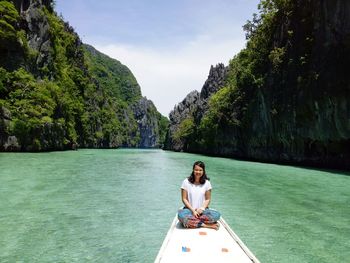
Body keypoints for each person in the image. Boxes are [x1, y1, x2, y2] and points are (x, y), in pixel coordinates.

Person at [178, 161, 221, 230]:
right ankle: (206, 225)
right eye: (196, 170)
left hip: (202, 211)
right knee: (181, 216)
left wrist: (201, 209)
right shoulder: (186, 182)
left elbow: (208, 199)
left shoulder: (207, 183)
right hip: (189, 210)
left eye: (200, 170)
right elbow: (184, 199)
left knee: (217, 215)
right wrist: (193, 211)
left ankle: (193, 222)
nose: (198, 172)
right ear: (193, 170)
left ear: (203, 171)